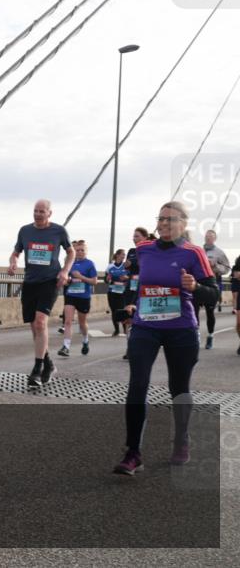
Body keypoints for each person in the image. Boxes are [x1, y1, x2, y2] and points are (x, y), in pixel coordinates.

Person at [113, 201, 217, 475]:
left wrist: (195, 286)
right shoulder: (144, 249)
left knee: (178, 388)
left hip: (180, 329)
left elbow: (213, 293)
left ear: (183, 224)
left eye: (170, 219)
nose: (164, 224)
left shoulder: (193, 253)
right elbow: (138, 282)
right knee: (137, 385)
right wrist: (132, 303)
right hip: (145, 326)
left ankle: (181, 439)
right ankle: (133, 452)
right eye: (160, 219)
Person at [8, 200, 74, 388]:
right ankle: (49, 364)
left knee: (40, 322)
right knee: (34, 327)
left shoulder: (59, 231)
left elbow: (70, 253)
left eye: (42, 211)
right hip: (30, 282)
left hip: (50, 281)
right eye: (35, 211)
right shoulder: (25, 231)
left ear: (49, 213)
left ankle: (37, 369)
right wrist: (13, 262)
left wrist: (65, 271)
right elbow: (15, 252)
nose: (37, 214)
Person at [59, 240, 97, 356]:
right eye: (77, 250)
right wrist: (67, 280)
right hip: (71, 295)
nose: (80, 252)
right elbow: (65, 280)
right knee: (68, 321)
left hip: (83, 297)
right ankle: (66, 347)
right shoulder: (70, 263)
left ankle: (85, 340)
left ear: (86, 252)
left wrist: (81, 277)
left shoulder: (90, 264)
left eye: (82, 250)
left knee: (82, 323)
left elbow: (94, 281)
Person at [199, 229, 232, 348]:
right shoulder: (199, 250)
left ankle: (210, 336)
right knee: (194, 311)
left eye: (210, 236)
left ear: (214, 239)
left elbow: (227, 268)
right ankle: (196, 336)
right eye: (206, 236)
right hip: (198, 283)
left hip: (212, 284)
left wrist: (215, 265)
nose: (208, 238)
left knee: (209, 312)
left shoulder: (219, 252)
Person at [120, 227, 149, 359]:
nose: (134, 239)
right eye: (134, 236)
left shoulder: (149, 250)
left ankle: (142, 346)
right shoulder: (132, 251)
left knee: (141, 319)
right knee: (128, 318)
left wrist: (134, 264)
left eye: (137, 236)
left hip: (143, 288)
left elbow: (145, 265)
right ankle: (130, 348)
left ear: (145, 238)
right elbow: (127, 267)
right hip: (130, 287)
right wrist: (126, 267)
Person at [105, 249, 129, 337]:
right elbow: (105, 280)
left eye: (124, 255)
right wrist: (107, 279)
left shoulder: (126, 266)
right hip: (112, 292)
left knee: (123, 310)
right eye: (122, 254)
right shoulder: (110, 266)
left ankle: (125, 329)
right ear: (117, 255)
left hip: (123, 292)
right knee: (114, 311)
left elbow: (130, 278)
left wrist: (126, 278)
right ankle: (116, 330)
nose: (124, 256)